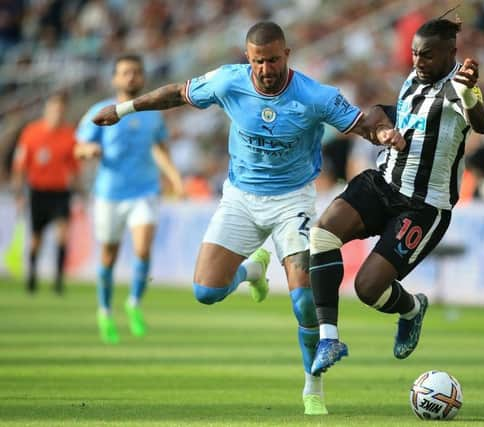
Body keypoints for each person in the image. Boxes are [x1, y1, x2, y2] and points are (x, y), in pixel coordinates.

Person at [90, 22, 402, 415]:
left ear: (286, 54)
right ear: (247, 58)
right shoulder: (227, 81)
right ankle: (253, 272)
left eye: (273, 60)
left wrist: (384, 134)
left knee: (304, 299)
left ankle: (313, 388)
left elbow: (361, 124)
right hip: (240, 199)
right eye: (258, 61)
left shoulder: (315, 95)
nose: (266, 69)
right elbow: (175, 95)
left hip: (293, 202)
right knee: (206, 292)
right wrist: (121, 109)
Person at [307, 16, 484, 375]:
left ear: (450, 53)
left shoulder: (458, 89)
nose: (418, 62)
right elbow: (388, 112)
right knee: (322, 234)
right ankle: (329, 338)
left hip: (423, 207)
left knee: (368, 288)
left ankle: (411, 309)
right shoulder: (413, 79)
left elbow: (481, 121)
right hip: (383, 182)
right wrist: (382, 129)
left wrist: (470, 92)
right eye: (415, 54)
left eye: (427, 56)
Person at [75, 54, 184, 345]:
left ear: (143, 77)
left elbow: (159, 147)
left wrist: (173, 176)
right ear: (115, 79)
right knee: (108, 256)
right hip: (109, 194)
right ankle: (105, 310)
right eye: (125, 72)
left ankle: (134, 303)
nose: (131, 77)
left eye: (136, 72)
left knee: (143, 248)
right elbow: (80, 146)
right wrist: (89, 152)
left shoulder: (152, 113)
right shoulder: (99, 111)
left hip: (145, 191)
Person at [11, 92, 79, 295]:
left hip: (60, 192)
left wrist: (78, 192)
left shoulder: (69, 135)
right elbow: (20, 166)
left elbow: (74, 167)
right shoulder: (31, 132)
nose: (57, 113)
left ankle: (58, 281)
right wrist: (19, 194)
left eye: (61, 109)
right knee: (36, 239)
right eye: (54, 108)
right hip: (38, 192)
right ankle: (32, 276)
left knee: (63, 235)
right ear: (46, 109)